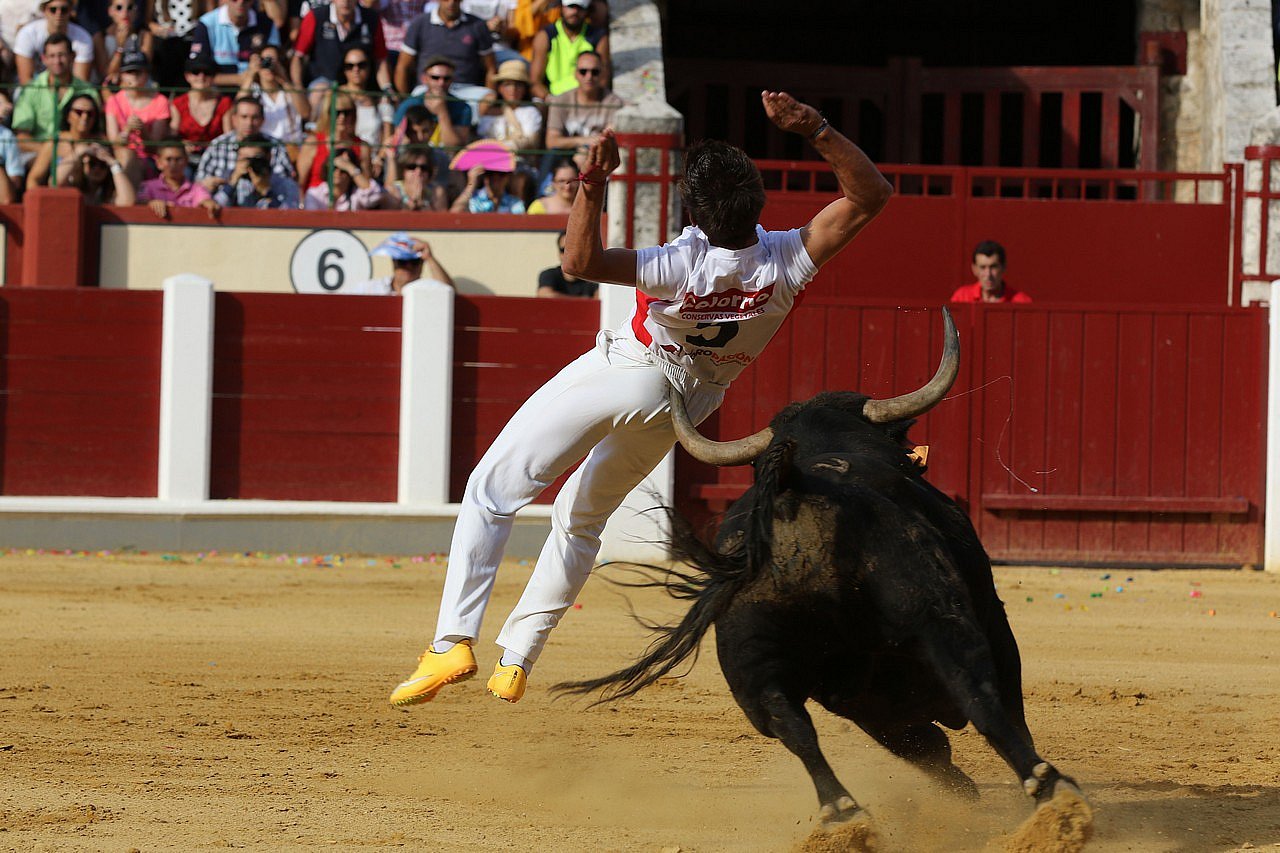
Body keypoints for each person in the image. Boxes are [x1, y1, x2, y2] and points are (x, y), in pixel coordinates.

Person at [387, 90, 893, 707]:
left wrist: (593, 183)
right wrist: (815, 127)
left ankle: (452, 641)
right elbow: (871, 195)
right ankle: (517, 656)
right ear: (756, 202)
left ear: (694, 212)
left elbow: (578, 261)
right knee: (583, 517)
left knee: (493, 488)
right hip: (691, 404)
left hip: (631, 370)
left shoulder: (679, 261)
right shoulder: (789, 258)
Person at [11, 33, 99, 151]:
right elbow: (22, 137)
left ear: (72, 56)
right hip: (36, 153)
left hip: (78, 151)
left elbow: (97, 133)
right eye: (52, 56)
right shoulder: (31, 90)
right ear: (44, 59)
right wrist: (51, 152)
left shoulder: (88, 91)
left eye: (61, 55)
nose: (57, 61)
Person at [291, 0, 389, 105]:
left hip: (362, 86)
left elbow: (380, 60)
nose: (345, 2)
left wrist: (387, 89)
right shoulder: (316, 16)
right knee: (319, 92)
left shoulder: (372, 18)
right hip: (324, 83)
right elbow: (298, 57)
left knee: (383, 103)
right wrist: (298, 88)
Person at [195, 94, 295, 193]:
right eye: (244, 117)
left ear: (262, 120)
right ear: (234, 119)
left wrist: (265, 180)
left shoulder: (275, 146)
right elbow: (199, 183)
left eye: (255, 118)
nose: (249, 123)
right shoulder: (218, 146)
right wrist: (227, 180)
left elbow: (286, 182)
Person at [394, 0, 493, 101]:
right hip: (428, 88)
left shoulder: (477, 25)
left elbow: (490, 68)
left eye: (455, 0)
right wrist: (403, 101)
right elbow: (403, 66)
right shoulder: (420, 23)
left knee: (489, 98)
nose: (451, 3)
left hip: (466, 89)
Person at [543, 50, 619, 173]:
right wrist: (585, 142)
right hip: (565, 161)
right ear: (575, 74)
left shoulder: (614, 103)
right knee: (552, 155)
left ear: (602, 74)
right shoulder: (561, 100)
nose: (589, 77)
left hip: (599, 159)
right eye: (583, 71)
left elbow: (609, 139)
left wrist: (586, 149)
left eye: (595, 72)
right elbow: (551, 141)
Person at [475, 56, 540, 200]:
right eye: (508, 84)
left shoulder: (530, 112)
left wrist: (502, 147)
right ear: (499, 88)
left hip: (519, 164)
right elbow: (481, 141)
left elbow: (530, 142)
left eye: (518, 85)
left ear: (525, 88)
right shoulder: (489, 114)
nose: (513, 89)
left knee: (520, 181)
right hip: (490, 164)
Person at [103, 47, 168, 182]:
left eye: (138, 71)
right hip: (120, 157)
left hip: (149, 160)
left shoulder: (160, 101)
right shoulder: (113, 101)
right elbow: (114, 143)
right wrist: (127, 130)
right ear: (122, 75)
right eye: (129, 72)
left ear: (147, 74)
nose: (134, 76)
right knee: (126, 155)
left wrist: (143, 131)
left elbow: (154, 148)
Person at [235, 43, 307, 154]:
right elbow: (238, 107)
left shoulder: (290, 90)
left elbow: (305, 113)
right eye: (264, 60)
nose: (269, 65)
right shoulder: (252, 90)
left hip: (291, 151)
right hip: (263, 150)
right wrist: (251, 73)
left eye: (274, 61)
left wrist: (284, 79)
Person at [188, 0, 280, 87]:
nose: (241, 2)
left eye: (246, 0)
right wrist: (240, 78)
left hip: (257, 88)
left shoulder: (267, 23)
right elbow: (197, 73)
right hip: (216, 91)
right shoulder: (206, 24)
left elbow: (273, 62)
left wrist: (263, 65)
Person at [528, 0, 606, 99]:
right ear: (561, 7)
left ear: (587, 11)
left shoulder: (598, 37)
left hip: (587, 100)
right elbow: (535, 82)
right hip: (552, 98)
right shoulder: (544, 36)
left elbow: (604, 78)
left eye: (580, 8)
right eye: (571, 6)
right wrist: (551, 100)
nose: (575, 12)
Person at [296, 88, 371, 190]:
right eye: (337, 112)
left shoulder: (362, 146)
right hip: (316, 198)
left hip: (351, 199)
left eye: (347, 112)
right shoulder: (313, 142)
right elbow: (300, 184)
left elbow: (368, 187)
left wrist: (350, 167)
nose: (342, 117)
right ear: (327, 114)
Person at [25, 91, 102, 187]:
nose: (84, 117)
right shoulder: (55, 142)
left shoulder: (100, 143)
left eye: (90, 113)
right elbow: (33, 179)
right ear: (68, 116)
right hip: (56, 193)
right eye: (78, 112)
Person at [390, 54, 469, 146]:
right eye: (435, 77)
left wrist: (442, 113)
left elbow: (454, 147)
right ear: (424, 79)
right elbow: (399, 142)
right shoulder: (408, 105)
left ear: (452, 80)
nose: (441, 83)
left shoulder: (463, 108)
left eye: (446, 78)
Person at [170, 52, 232, 161]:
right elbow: (173, 136)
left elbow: (229, 137)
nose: (201, 77)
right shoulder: (178, 103)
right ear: (187, 76)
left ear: (213, 77)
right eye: (195, 72)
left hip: (216, 158)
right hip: (185, 159)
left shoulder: (225, 103)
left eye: (207, 73)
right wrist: (182, 144)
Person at [348, 231, 455, 294]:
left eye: (414, 262)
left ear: (422, 264)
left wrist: (429, 258)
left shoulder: (427, 289)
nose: (408, 266)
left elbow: (449, 294)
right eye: (402, 261)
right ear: (394, 262)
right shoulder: (368, 289)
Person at [13, 0, 93, 84]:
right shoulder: (27, 33)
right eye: (53, 9)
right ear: (44, 10)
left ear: (70, 11)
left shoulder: (83, 38)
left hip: (68, 88)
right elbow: (26, 80)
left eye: (64, 9)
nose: (58, 13)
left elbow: (80, 82)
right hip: (34, 89)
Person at [210, 131, 299, 207]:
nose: (250, 164)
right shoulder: (226, 178)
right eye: (245, 159)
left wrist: (266, 191)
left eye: (255, 159)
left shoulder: (285, 184)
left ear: (269, 157)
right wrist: (232, 184)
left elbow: (287, 215)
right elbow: (215, 208)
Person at [138, 139, 220, 217]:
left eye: (178, 159)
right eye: (168, 159)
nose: (173, 164)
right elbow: (139, 202)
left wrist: (209, 204)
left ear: (186, 161)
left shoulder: (196, 189)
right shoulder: (148, 187)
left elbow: (205, 200)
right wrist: (151, 203)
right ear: (158, 162)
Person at [950, 240, 1032, 304]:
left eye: (993, 267)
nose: (988, 274)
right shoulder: (962, 298)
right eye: (983, 267)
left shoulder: (1021, 302)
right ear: (974, 269)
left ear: (1003, 267)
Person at [302, 145, 382, 209]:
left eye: (344, 170)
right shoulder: (314, 193)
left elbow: (376, 194)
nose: (338, 172)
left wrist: (350, 167)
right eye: (334, 168)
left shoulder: (356, 193)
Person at [92, 0, 151, 86]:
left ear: (136, 11)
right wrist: (120, 47)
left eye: (130, 7)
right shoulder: (100, 37)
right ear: (110, 11)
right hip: (111, 87)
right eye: (119, 7)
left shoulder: (144, 36)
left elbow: (144, 70)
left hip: (137, 85)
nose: (125, 12)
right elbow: (106, 74)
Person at [379, 144, 447, 210]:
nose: (418, 172)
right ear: (403, 170)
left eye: (424, 168)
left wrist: (422, 204)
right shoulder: (393, 192)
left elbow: (441, 216)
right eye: (412, 167)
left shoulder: (437, 193)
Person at [536, 228, 595, 297]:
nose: (569, 254)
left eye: (574, 249)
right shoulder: (548, 275)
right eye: (564, 250)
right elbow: (545, 295)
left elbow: (602, 299)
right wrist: (585, 300)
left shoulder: (593, 279)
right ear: (559, 254)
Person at [450, 161, 524, 213]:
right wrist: (471, 184)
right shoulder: (473, 199)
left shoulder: (515, 202)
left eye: (501, 173)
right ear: (484, 175)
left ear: (508, 177)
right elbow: (455, 214)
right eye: (490, 173)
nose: (496, 177)